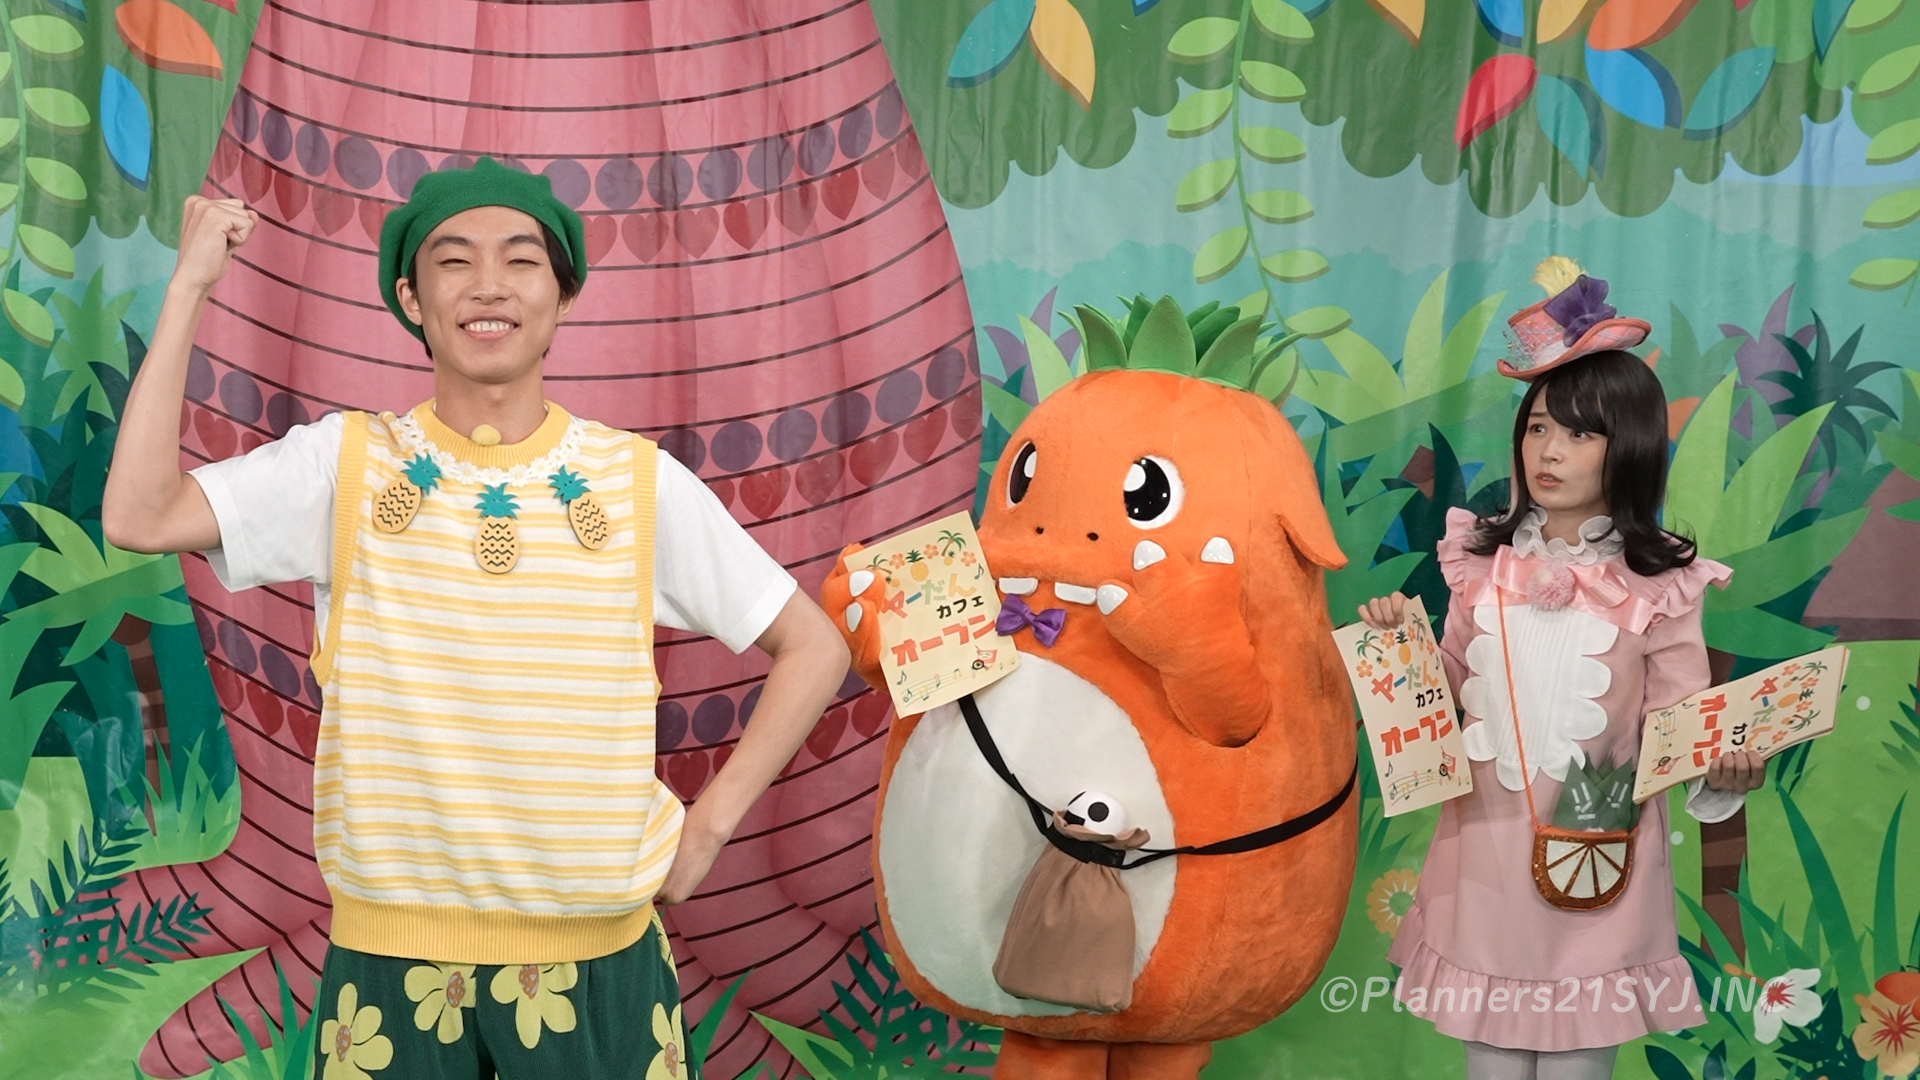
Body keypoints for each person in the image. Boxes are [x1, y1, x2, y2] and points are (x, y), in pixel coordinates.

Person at [102, 160, 850, 1080]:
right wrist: (188, 289)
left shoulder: (635, 483)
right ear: (411, 300)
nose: (489, 286)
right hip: (389, 970)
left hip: (600, 966)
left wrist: (709, 829)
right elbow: (139, 515)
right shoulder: (346, 467)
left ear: (562, 295)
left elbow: (812, 646)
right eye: (454, 261)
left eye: (521, 260)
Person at [1356, 261, 1766, 1080]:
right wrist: (1400, 648)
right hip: (1483, 862)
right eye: (1539, 426)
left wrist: (1724, 772)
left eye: (1581, 434)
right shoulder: (1479, 564)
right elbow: (1449, 691)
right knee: (1492, 1067)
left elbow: (1681, 724)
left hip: (1595, 863)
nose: (1550, 451)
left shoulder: (1661, 584)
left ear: (1630, 448)